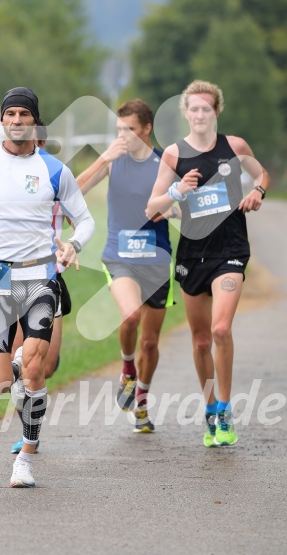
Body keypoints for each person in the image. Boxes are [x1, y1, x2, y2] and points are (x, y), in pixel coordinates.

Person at [0, 86, 95, 488]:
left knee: (34, 366)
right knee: (0, 382)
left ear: (35, 122)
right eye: (9, 114)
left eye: (23, 115)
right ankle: (16, 371)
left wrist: (72, 245)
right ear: (2, 122)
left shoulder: (54, 170)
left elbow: (85, 220)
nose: (15, 121)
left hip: (39, 277)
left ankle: (26, 457)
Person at [146, 79, 270, 447]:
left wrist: (258, 192)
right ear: (186, 113)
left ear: (216, 112)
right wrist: (176, 191)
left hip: (229, 250)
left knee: (219, 330)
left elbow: (262, 174)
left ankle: (227, 407)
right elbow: (152, 210)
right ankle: (211, 407)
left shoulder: (235, 146)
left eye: (206, 108)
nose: (200, 114)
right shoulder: (172, 155)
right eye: (194, 108)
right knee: (200, 342)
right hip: (191, 255)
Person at [0, 122, 73, 455]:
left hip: (45, 275)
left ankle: (29, 429)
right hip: (3, 275)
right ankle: (29, 434)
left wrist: (71, 243)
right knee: (19, 370)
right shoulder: (4, 176)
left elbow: (82, 207)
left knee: (45, 367)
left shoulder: (53, 179)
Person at [76, 99, 176, 433]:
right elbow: (73, 192)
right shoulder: (112, 161)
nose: (124, 136)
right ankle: (127, 369)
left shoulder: (164, 164)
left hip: (157, 261)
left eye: (130, 129)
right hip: (119, 257)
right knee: (130, 316)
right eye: (119, 129)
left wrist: (174, 210)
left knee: (151, 342)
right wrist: (104, 158)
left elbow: (184, 208)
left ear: (147, 129)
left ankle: (142, 404)